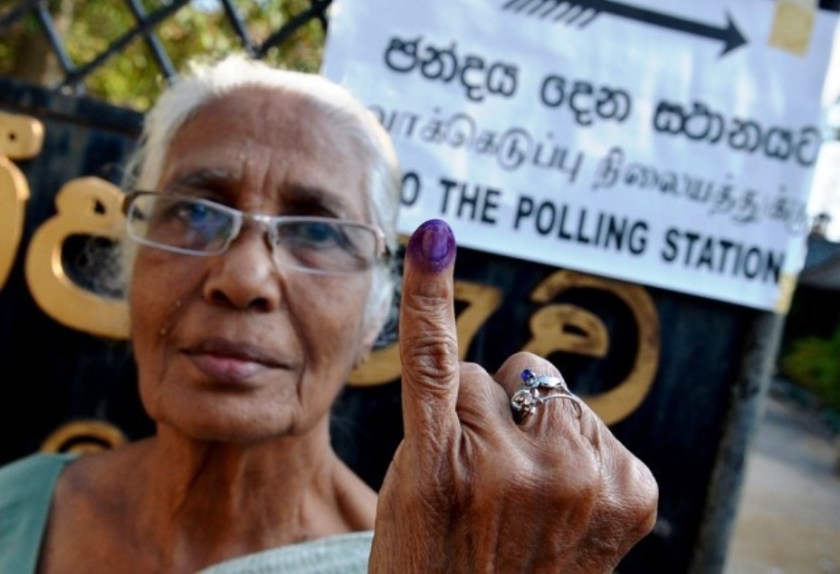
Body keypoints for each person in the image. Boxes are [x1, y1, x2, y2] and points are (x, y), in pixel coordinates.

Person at [0, 54, 658, 573]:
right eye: (197, 213)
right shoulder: (16, 508)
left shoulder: (426, 565)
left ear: (377, 311)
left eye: (317, 231)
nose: (244, 277)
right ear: (131, 265)